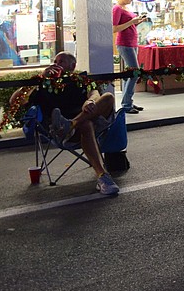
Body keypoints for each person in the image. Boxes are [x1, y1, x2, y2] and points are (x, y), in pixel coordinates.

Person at [11, 52, 120, 195]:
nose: (56, 64)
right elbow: (15, 101)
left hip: (82, 122)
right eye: (55, 61)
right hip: (60, 131)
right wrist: (41, 78)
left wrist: (91, 101)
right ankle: (103, 177)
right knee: (86, 124)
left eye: (61, 61)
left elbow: (94, 92)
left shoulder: (79, 80)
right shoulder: (44, 84)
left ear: (72, 66)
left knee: (108, 98)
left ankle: (73, 123)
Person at [112, 0, 146, 115]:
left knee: (129, 74)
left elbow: (128, 24)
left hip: (132, 42)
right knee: (134, 72)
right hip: (124, 43)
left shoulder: (126, 8)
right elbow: (115, 28)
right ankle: (126, 103)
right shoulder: (117, 9)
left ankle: (128, 101)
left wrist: (136, 22)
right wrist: (132, 21)